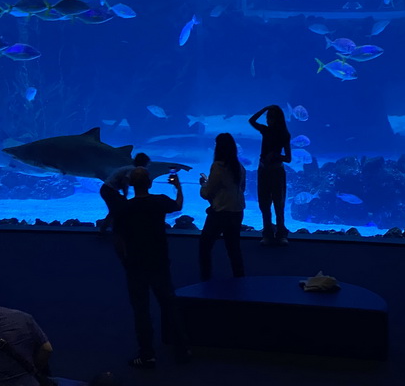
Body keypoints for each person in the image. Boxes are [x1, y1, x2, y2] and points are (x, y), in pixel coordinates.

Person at [100, 167, 190, 369]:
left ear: (131, 184)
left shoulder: (124, 208)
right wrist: (178, 187)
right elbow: (178, 205)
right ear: (149, 183)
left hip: (135, 264)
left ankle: (147, 355)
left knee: (141, 310)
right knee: (169, 304)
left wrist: (124, 260)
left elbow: (118, 238)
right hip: (158, 261)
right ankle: (183, 349)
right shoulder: (159, 201)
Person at [198, 133, 246, 280]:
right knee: (234, 250)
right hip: (237, 212)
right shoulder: (239, 167)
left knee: (204, 247)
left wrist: (203, 184)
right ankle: (240, 281)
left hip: (220, 213)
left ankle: (206, 282)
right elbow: (241, 189)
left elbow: (208, 192)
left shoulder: (218, 166)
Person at [248, 104, 292, 245]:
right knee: (264, 203)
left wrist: (275, 156)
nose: (268, 120)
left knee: (279, 203)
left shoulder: (284, 134)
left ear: (277, 119)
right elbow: (252, 121)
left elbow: (288, 158)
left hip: (277, 171)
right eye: (267, 117)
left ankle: (281, 233)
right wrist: (264, 109)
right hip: (263, 170)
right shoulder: (265, 131)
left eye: (270, 117)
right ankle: (267, 232)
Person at [99, 152, 150, 233]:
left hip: (107, 189)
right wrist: (125, 195)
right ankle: (108, 230)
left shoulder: (130, 168)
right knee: (115, 209)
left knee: (116, 209)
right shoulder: (133, 170)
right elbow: (125, 181)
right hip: (109, 189)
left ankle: (109, 229)